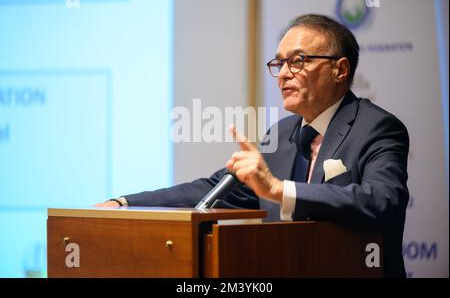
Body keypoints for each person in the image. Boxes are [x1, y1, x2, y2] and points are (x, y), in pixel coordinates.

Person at [96, 14, 409, 278]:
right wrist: (124, 203)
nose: (284, 74)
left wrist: (277, 189)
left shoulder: (377, 127)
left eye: (298, 61)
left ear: (339, 70)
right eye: (279, 63)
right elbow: (213, 189)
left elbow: (382, 202)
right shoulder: (283, 133)